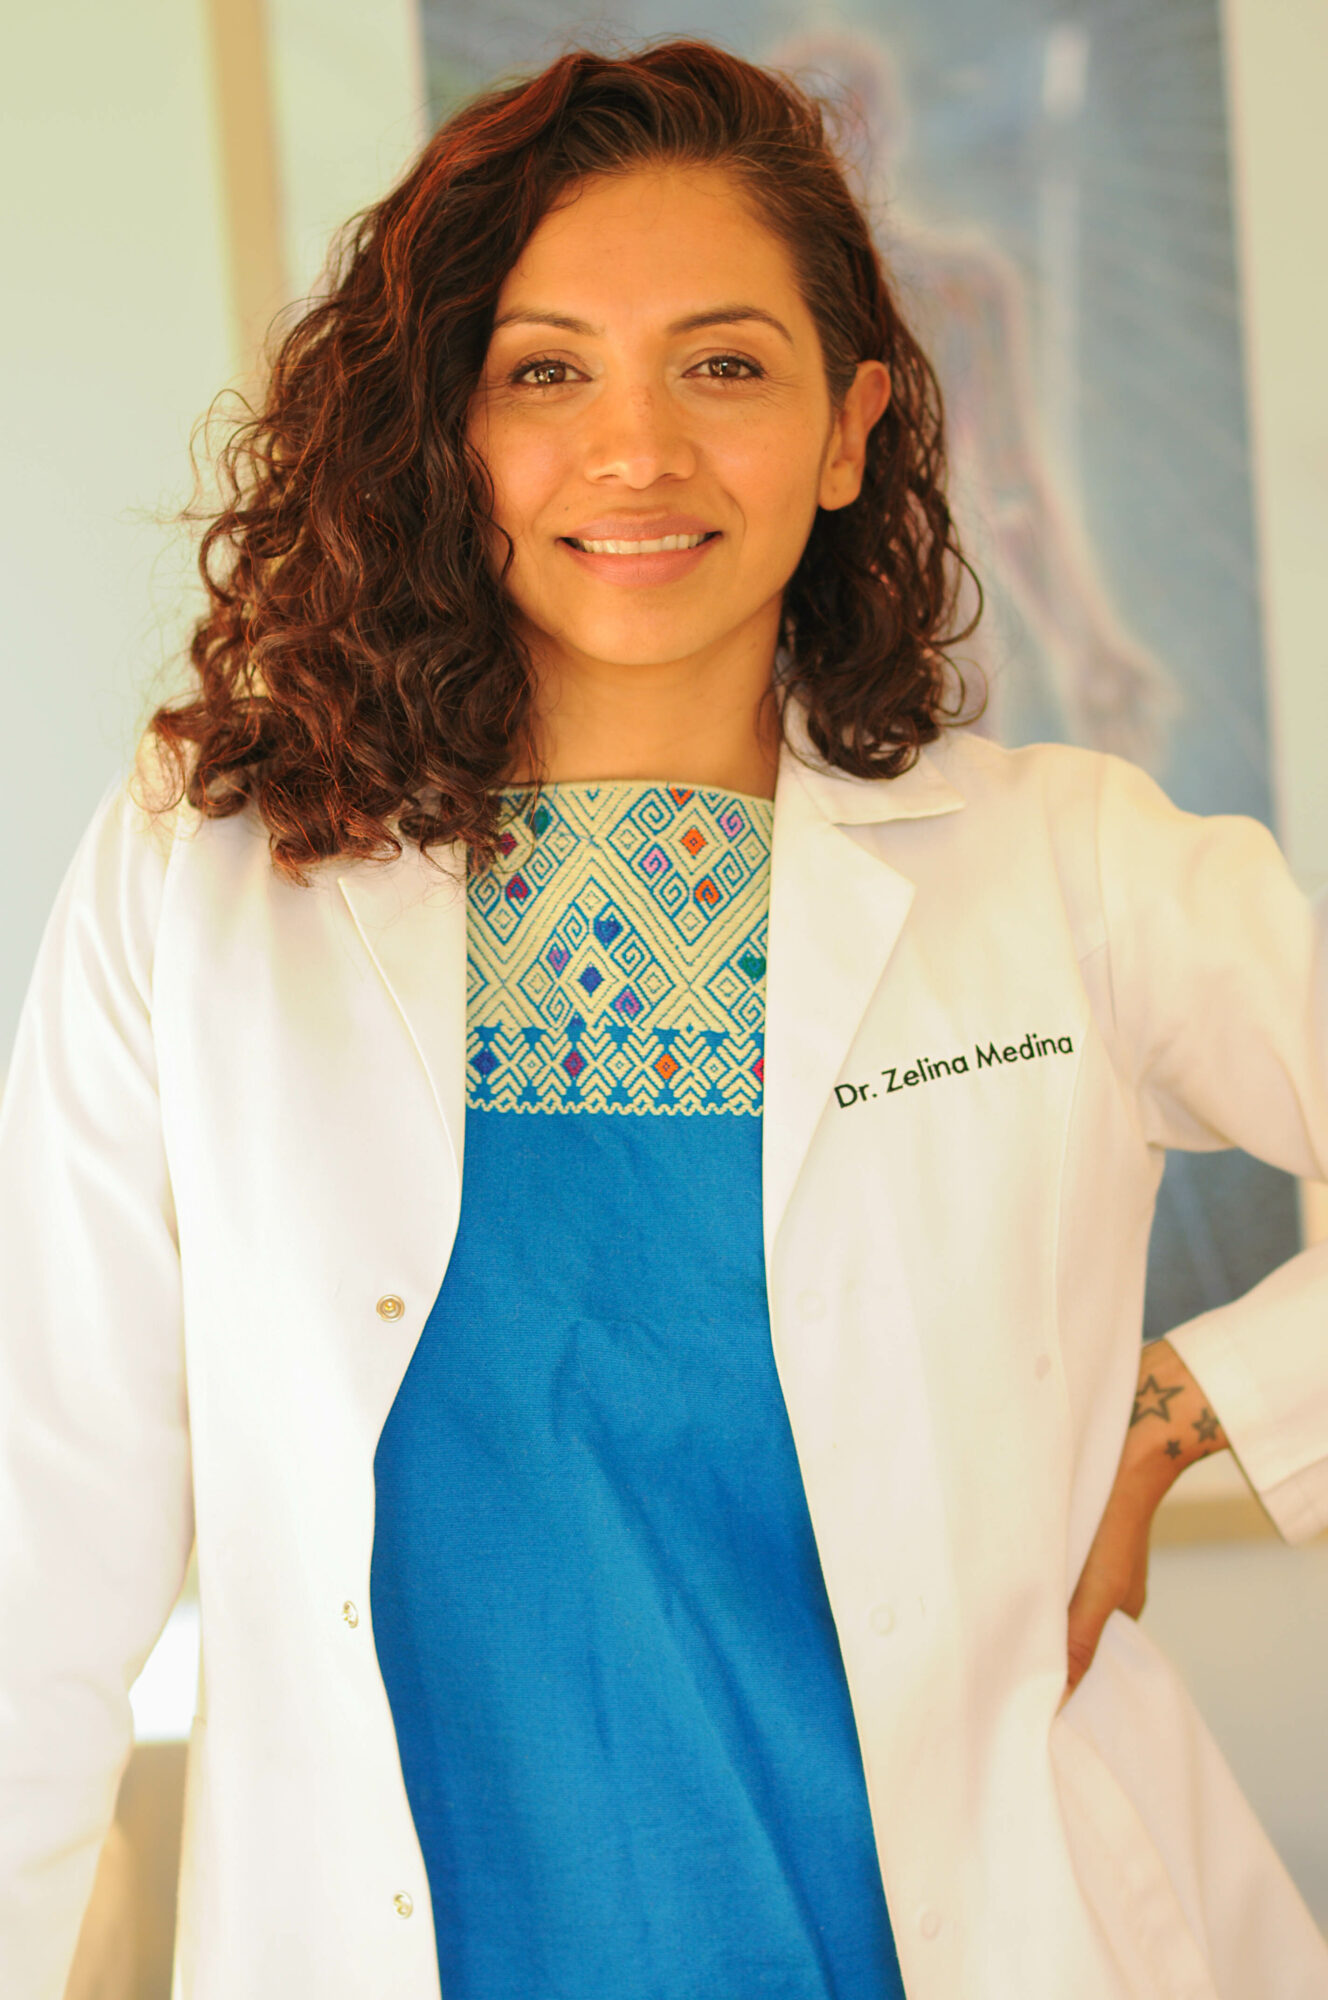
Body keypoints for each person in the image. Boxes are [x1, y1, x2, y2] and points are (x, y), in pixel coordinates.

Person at [2, 39, 1326, 2000]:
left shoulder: (1072, 868)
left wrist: (1199, 1402)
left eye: (724, 365)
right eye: (545, 373)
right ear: (447, 426)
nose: (637, 450)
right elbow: (41, 1546)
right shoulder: (204, 872)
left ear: (849, 427)